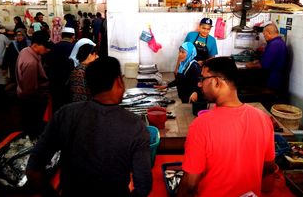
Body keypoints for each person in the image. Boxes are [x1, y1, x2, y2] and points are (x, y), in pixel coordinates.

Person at [26, 56, 153, 197]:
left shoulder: (65, 115)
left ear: (89, 86)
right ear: (119, 81)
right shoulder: (136, 126)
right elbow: (143, 186)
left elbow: (33, 169)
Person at [177, 57, 275, 197]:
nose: (199, 84)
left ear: (216, 82)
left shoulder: (201, 125)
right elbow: (269, 167)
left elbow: (190, 184)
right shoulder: (263, 119)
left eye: (203, 78)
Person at [16, 30, 53, 138]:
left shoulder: (25, 51)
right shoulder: (31, 63)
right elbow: (29, 89)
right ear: (36, 45)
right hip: (32, 100)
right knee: (33, 127)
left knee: (29, 124)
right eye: (45, 47)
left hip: (25, 96)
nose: (47, 49)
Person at [246, 23, 288, 93]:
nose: (265, 37)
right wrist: (259, 61)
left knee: (268, 99)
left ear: (268, 33)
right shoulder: (279, 42)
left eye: (264, 35)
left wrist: (251, 65)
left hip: (273, 80)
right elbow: (269, 60)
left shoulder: (274, 44)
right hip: (277, 79)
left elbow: (264, 65)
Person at [45, 27, 76, 112]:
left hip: (55, 82)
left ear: (62, 36)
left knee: (57, 106)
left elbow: (48, 63)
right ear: (73, 36)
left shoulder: (54, 47)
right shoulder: (74, 48)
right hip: (68, 83)